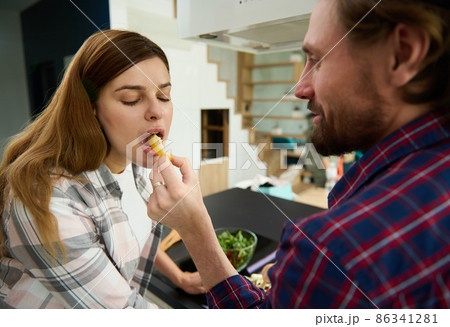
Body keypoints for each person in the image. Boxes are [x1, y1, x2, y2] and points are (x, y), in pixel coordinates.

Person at [147, 0, 449, 308]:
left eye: (317, 60)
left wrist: (194, 228)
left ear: (402, 54)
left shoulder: (332, 251)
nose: (300, 87)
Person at [0, 29, 204, 309]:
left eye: (164, 96)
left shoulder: (133, 163)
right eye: (132, 99)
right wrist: (194, 224)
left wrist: (179, 277)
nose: (157, 111)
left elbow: (129, 232)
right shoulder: (46, 199)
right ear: (89, 107)